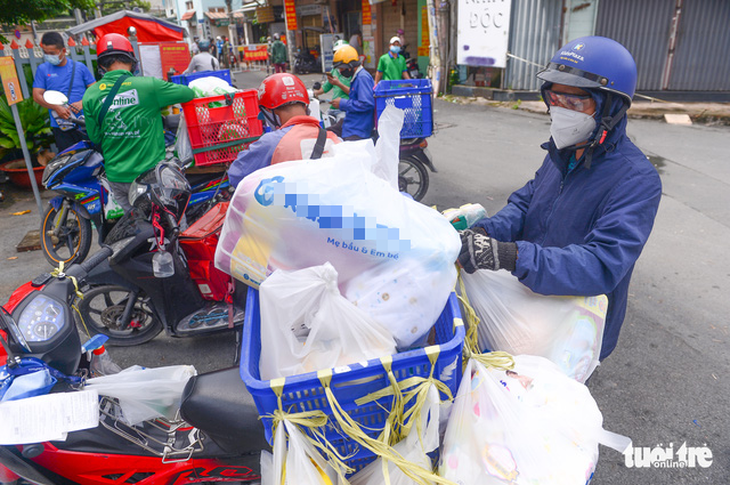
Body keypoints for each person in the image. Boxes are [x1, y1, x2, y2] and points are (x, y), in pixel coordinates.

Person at [457, 36, 662, 361]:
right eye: (555, 98)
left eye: (577, 103)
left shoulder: (636, 179)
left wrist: (512, 256)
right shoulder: (562, 152)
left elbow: (602, 264)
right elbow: (525, 205)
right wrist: (485, 234)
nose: (561, 111)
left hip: (574, 329)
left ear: (611, 107)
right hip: (527, 308)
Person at [82, 33, 194, 214]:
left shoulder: (91, 94)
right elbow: (188, 94)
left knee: (136, 225)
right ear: (132, 61)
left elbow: (95, 137)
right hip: (149, 178)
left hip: (117, 178)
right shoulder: (149, 86)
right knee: (164, 224)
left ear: (102, 65)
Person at [228, 73, 340, 187]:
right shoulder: (334, 139)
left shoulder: (271, 143)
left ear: (269, 112)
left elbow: (236, 175)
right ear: (306, 107)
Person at [32, 31, 96, 152]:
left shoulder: (80, 67)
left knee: (92, 158)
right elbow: (37, 96)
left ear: (63, 51)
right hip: (61, 126)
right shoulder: (42, 69)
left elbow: (96, 90)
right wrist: (56, 107)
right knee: (68, 161)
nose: (48, 56)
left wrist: (83, 102)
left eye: (52, 53)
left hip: (85, 123)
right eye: (45, 53)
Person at [329, 45, 374, 141]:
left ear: (350, 66)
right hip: (351, 122)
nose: (340, 71)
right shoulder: (356, 76)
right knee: (323, 134)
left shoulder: (362, 78)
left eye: (341, 68)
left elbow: (366, 104)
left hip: (358, 129)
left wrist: (342, 103)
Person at [313, 40, 351, 130]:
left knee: (339, 129)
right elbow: (327, 86)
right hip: (332, 108)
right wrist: (315, 93)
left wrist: (339, 84)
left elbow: (354, 93)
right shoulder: (335, 70)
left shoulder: (350, 72)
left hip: (344, 109)